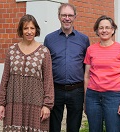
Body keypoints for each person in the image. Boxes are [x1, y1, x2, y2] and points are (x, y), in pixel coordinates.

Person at [0, 14, 54, 131]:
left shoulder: (44, 52)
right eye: (26, 28)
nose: (29, 32)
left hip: (36, 105)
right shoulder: (11, 51)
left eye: (32, 28)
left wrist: (47, 105)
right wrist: (1, 103)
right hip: (14, 103)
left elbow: (48, 80)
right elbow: (5, 78)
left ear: (36, 30)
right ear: (21, 30)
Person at [43, 3, 90, 132]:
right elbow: (45, 66)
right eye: (64, 15)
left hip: (77, 90)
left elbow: (87, 67)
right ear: (59, 17)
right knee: (53, 127)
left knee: (74, 127)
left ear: (75, 17)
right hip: (55, 89)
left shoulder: (84, 39)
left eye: (70, 15)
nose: (67, 18)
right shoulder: (49, 39)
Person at [84, 15, 120, 132]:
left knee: (113, 129)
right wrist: (86, 99)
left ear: (113, 30)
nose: (104, 30)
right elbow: (86, 76)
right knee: (94, 129)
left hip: (114, 96)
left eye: (107, 27)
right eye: (101, 28)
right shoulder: (91, 49)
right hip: (92, 96)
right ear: (97, 30)